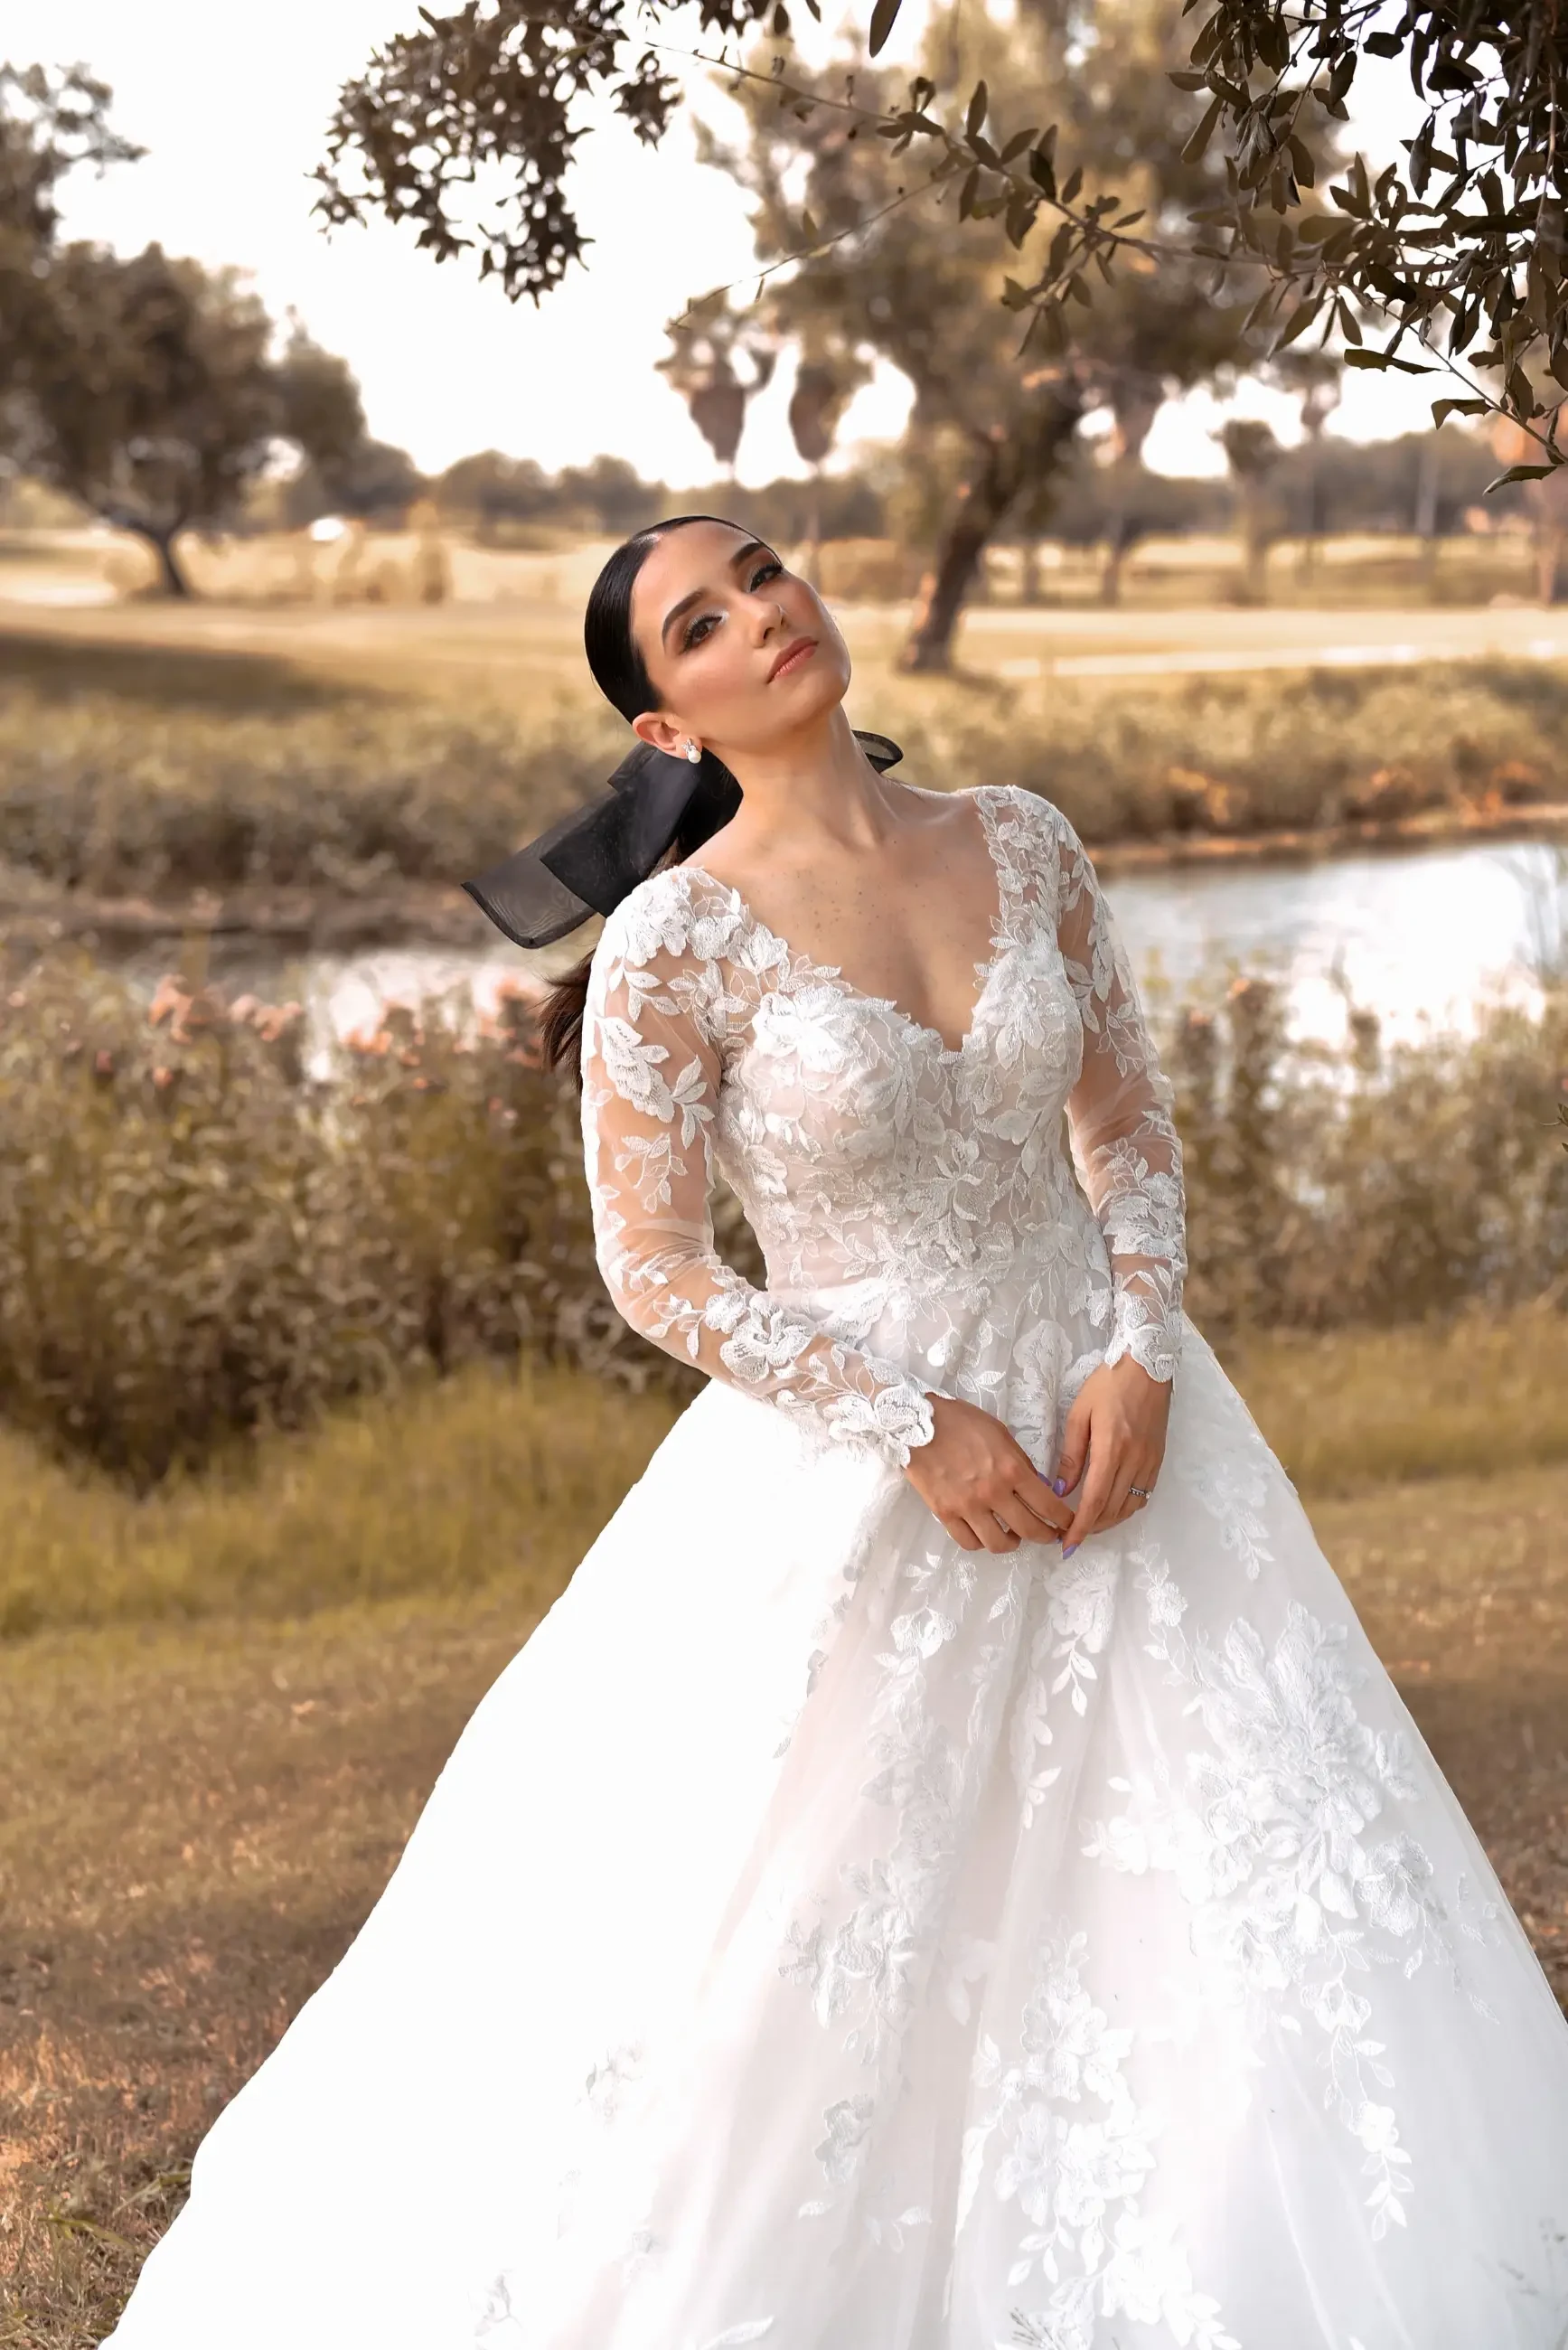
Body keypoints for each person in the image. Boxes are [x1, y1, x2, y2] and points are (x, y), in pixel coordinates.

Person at [104, 517, 1568, 2350]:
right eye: (699, 624)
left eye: (766, 571)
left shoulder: (1023, 841)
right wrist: (904, 1421)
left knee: (1228, 1881)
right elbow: (653, 1269)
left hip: (1117, 1434)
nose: (763, 617)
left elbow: (1125, 1132)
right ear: (665, 725)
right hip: (863, 1460)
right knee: (788, 1929)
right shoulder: (672, 937)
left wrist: (1145, 1348)